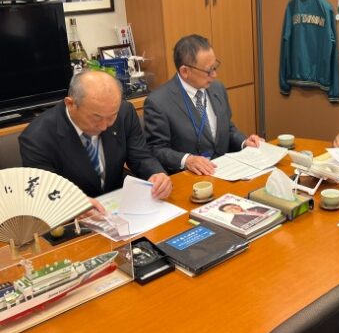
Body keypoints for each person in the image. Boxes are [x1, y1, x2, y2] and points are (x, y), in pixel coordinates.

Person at [19, 71, 172, 212]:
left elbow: (141, 156)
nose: (104, 126)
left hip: (120, 206)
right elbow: (44, 191)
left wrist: (157, 174)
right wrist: (75, 204)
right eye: (96, 117)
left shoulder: (125, 112)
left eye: (112, 116)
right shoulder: (37, 137)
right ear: (70, 104)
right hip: (72, 218)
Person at [143, 34, 262, 175]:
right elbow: (156, 149)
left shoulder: (217, 88)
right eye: (208, 70)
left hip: (226, 171)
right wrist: (186, 160)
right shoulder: (158, 102)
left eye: (215, 67)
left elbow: (227, 128)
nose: (214, 75)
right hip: (191, 178)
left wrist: (244, 142)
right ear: (185, 71)